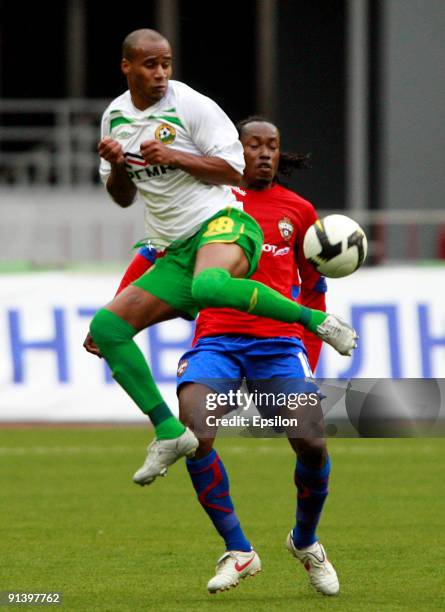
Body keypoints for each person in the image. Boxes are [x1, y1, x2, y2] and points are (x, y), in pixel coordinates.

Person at [87, 28, 357, 488]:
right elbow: (122, 196)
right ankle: (169, 433)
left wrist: (173, 156)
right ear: (126, 67)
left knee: (209, 287)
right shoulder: (115, 118)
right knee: (106, 330)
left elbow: (234, 169)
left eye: (166, 63)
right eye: (150, 65)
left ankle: (318, 323)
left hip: (225, 225)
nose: (160, 74)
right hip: (175, 249)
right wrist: (116, 165)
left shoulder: (192, 105)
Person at [176, 117, 339, 595]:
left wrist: (310, 356)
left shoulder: (300, 211)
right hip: (218, 341)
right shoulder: (211, 203)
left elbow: (314, 291)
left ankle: (305, 542)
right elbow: (159, 255)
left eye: (272, 146)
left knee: (311, 441)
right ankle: (239, 550)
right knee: (194, 432)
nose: (265, 153)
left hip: (279, 347)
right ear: (236, 149)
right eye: (254, 145)